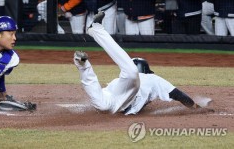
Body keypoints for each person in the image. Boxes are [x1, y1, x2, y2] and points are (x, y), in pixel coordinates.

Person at [73, 11, 204, 115]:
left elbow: (176, 94)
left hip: (110, 103)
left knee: (100, 101)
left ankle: (82, 64)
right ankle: (96, 31)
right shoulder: (150, 78)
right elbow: (177, 94)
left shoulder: (132, 79)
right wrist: (195, 107)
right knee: (130, 73)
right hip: (114, 101)